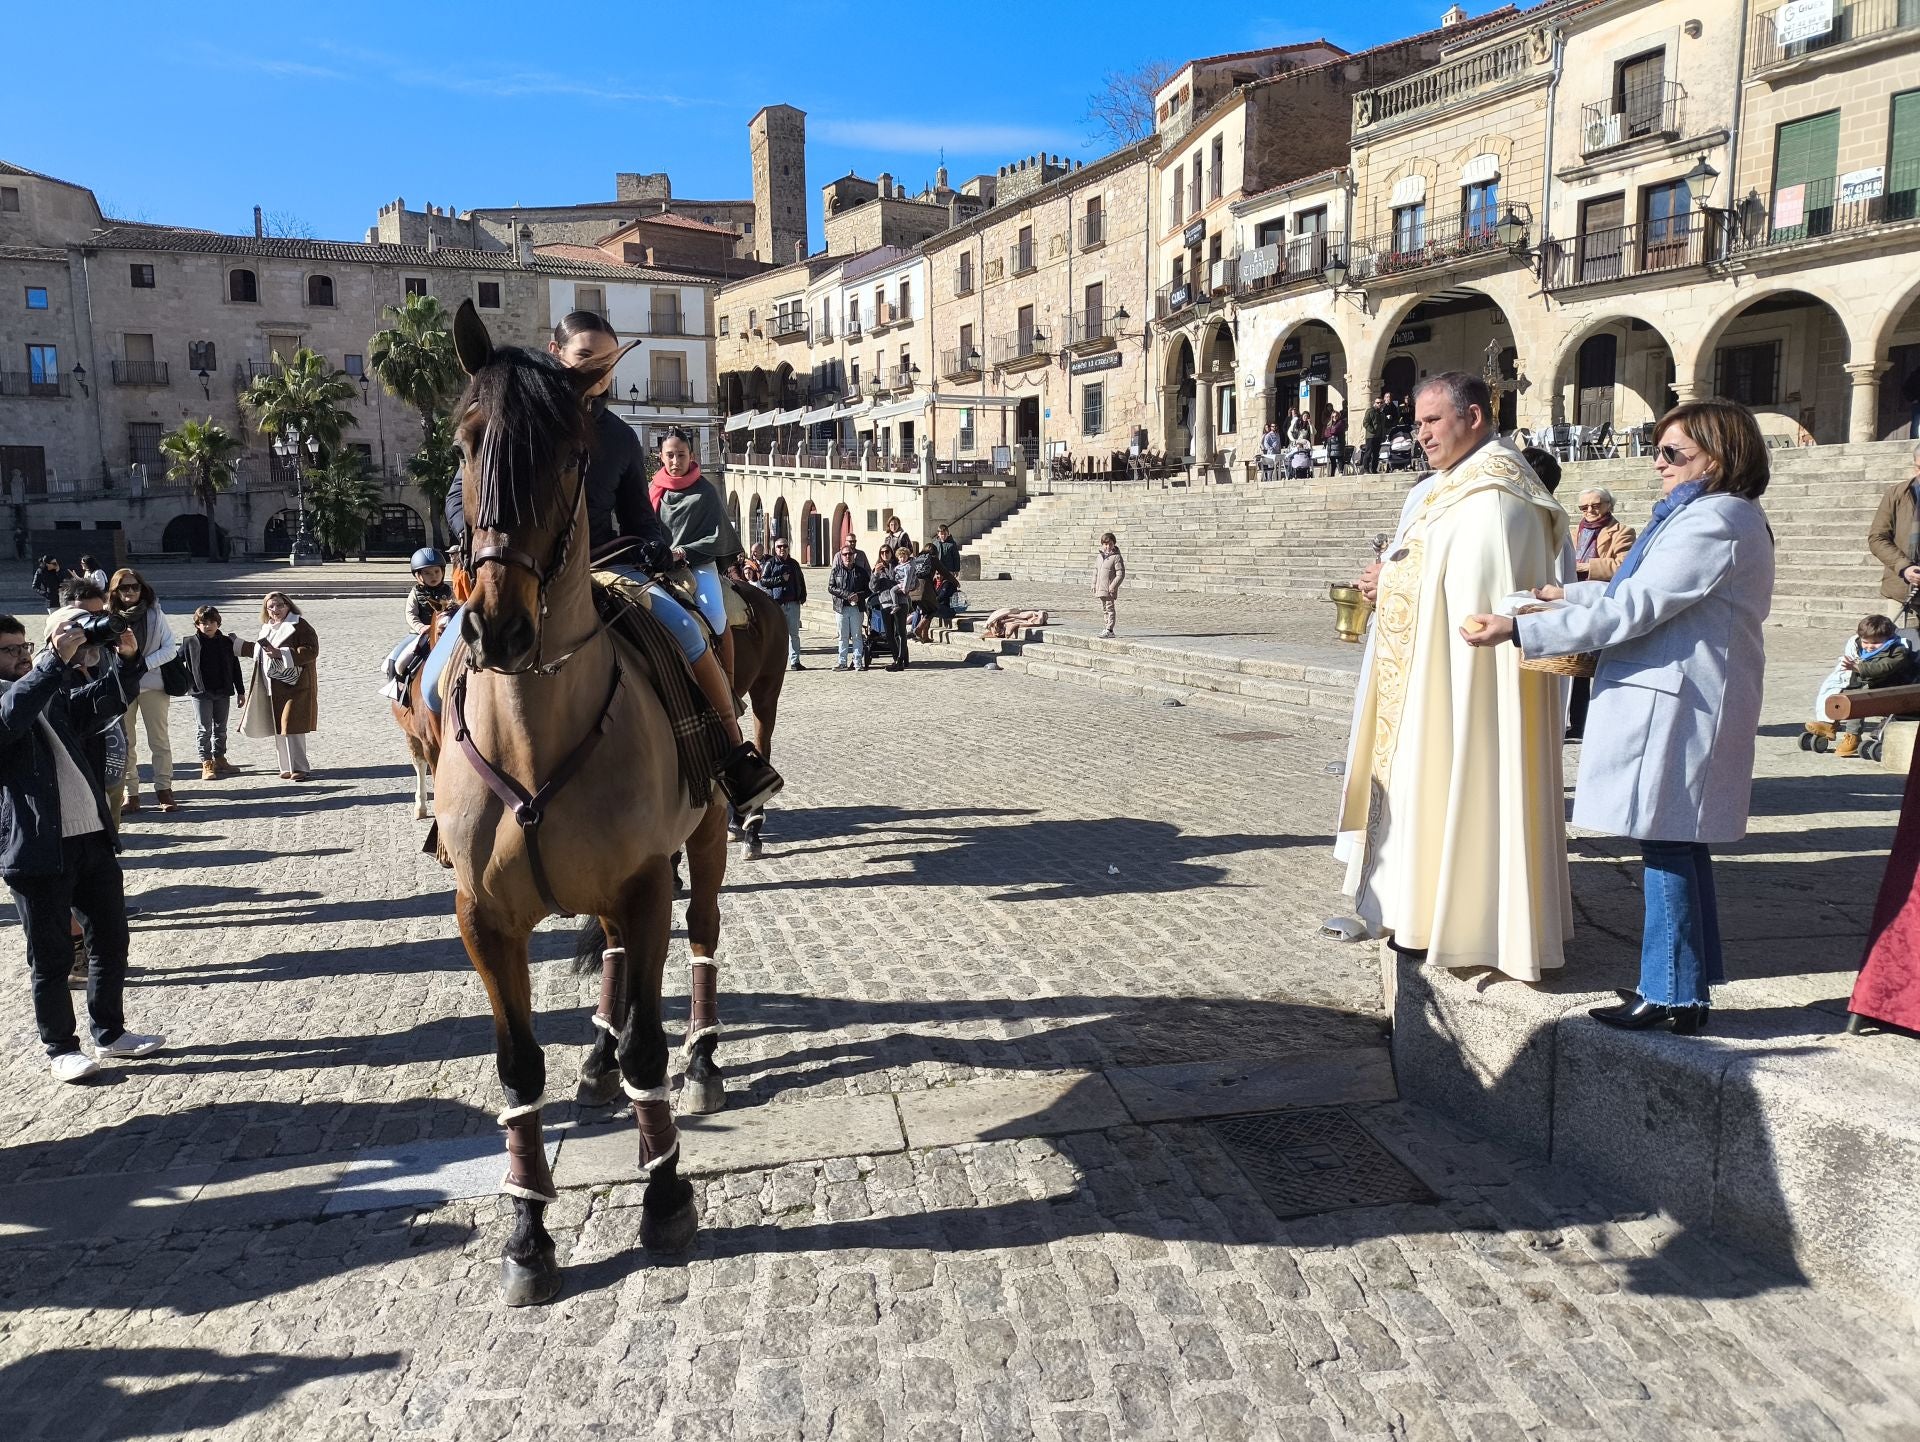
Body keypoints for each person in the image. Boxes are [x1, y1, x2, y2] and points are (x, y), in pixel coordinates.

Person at [1465, 399, 1775, 1035]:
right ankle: (1685, 987)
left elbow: (1638, 606)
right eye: (1658, 450)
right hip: (1681, 694)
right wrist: (1564, 593)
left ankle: (1669, 991)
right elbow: (1638, 588)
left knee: (1667, 843)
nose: (1658, 463)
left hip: (1679, 701)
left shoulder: (1713, 519)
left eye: (1673, 452)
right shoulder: (1707, 514)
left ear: (1718, 457)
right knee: (1678, 843)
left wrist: (1520, 629)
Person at [444, 313, 779, 810]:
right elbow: (460, 496)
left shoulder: (619, 437)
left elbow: (639, 515)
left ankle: (733, 754)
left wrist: (653, 544)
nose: (598, 372)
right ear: (556, 354)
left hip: (606, 565)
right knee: (435, 675)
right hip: (520, 568)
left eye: (607, 363)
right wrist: (480, 543)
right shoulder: (516, 420)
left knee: (687, 631)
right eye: (586, 358)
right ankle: (450, 790)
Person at [1337, 372, 1572, 989]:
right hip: (1431, 676)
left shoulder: (1499, 493)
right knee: (1426, 785)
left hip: (1469, 683)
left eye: (1433, 421)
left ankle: (1465, 922)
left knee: (1463, 781)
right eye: (1417, 423)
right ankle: (1417, 911)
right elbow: (1431, 567)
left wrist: (1392, 581)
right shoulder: (1454, 484)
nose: (1421, 434)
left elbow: (1477, 586)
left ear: (1474, 416)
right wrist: (1388, 576)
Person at [0, 610, 166, 1081]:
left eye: (24, 647)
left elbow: (93, 706)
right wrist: (52, 661)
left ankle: (109, 1032)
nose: (22, 656)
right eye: (10, 650)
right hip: (36, 850)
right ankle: (60, 1048)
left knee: (110, 941)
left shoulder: (43, 688)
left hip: (89, 836)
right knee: (51, 956)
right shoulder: (23, 692)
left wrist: (128, 663)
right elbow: (10, 720)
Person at [650, 426, 782, 803]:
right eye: (670, 455)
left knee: (715, 615)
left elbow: (717, 537)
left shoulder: (704, 491)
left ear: (692, 456)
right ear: (661, 457)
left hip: (699, 565)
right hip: (658, 566)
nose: (676, 461)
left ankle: (726, 684)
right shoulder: (653, 491)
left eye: (681, 454)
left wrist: (684, 552)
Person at [1562, 485, 1636, 741]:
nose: (1590, 511)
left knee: (1597, 665)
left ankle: (1595, 722)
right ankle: (1577, 723)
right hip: (1574, 600)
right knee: (1576, 667)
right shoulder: (1574, 533)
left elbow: (1623, 566)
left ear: (1608, 505)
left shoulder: (1622, 532)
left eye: (1595, 505)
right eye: (1584, 507)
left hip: (1601, 602)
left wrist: (1587, 566)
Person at [108, 568, 179, 814]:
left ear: (142, 588)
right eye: (124, 587)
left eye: (134, 586)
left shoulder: (154, 613)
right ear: (115, 591)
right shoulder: (107, 616)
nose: (130, 591)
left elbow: (170, 648)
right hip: (120, 687)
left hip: (152, 684)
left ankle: (164, 789)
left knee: (159, 739)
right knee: (125, 741)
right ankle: (131, 794)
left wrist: (143, 665)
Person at [240, 591, 319, 781]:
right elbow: (259, 651)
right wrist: (237, 645)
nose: (275, 609)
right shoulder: (267, 628)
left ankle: (299, 767)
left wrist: (282, 654)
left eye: (279, 605)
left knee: (292, 725)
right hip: (272, 684)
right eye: (271, 607)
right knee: (279, 727)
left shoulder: (299, 625)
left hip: (296, 684)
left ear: (288, 606)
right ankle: (285, 767)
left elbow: (311, 650)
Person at [1819, 614, 1920, 758]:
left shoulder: (1898, 650)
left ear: (1889, 638)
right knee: (1837, 690)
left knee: (1856, 700)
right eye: (1865, 642)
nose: (1870, 646)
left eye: (1876, 643)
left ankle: (1853, 735)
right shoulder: (1859, 646)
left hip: (1890, 684)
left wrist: (1858, 668)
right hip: (1868, 682)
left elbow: (1885, 667)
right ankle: (1829, 725)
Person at [181, 605, 247, 779]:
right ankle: (206, 762)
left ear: (218, 623)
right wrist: (185, 681)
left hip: (223, 691)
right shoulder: (189, 642)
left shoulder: (226, 642)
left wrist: (240, 691)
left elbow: (235, 667)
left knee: (221, 728)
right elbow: (176, 663)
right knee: (204, 729)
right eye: (203, 623)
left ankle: (220, 758)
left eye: (212, 622)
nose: (208, 626)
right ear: (197, 625)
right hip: (200, 693)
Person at [1866, 440, 1920, 618]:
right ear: (1915, 467)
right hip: (1902, 591)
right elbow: (1877, 538)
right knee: (1900, 637)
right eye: (1919, 468)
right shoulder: (1896, 494)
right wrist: (1905, 567)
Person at [760, 535, 808, 670]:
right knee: (777, 635)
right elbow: (763, 581)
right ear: (775, 549)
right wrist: (780, 579)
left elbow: (801, 580)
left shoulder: (794, 564)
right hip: (777, 604)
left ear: (788, 548)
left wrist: (803, 596)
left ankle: (795, 662)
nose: (782, 549)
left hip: (793, 603)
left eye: (785, 546)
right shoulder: (770, 563)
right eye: (779, 546)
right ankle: (777, 663)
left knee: (794, 634)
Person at [828, 535, 871, 671]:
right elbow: (831, 587)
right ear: (841, 556)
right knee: (843, 636)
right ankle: (842, 662)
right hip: (841, 607)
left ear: (854, 556)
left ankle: (858, 662)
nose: (848, 556)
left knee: (857, 635)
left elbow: (869, 589)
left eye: (850, 554)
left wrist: (859, 596)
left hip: (856, 608)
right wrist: (846, 595)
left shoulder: (861, 572)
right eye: (845, 554)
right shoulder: (836, 571)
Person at [1094, 533, 1125, 639]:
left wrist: (1113, 586)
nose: (1108, 546)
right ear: (1102, 544)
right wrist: (1094, 584)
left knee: (1110, 608)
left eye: (1110, 544)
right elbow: (1096, 571)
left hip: (1109, 588)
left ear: (1114, 544)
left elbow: (1120, 574)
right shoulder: (1100, 556)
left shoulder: (1116, 557)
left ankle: (1110, 629)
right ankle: (1106, 627)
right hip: (1101, 587)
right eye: (1105, 544)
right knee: (1105, 609)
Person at [1362, 397, 1388, 474]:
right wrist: (1373, 431)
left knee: (1376, 454)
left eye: (1381, 403)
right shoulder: (1370, 411)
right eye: (1377, 403)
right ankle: (1366, 469)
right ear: (1374, 403)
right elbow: (1365, 423)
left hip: (1378, 437)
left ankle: (1374, 469)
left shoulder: (1382, 414)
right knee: (1368, 453)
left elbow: (1383, 426)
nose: (1379, 404)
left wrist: (1383, 435)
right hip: (1371, 436)